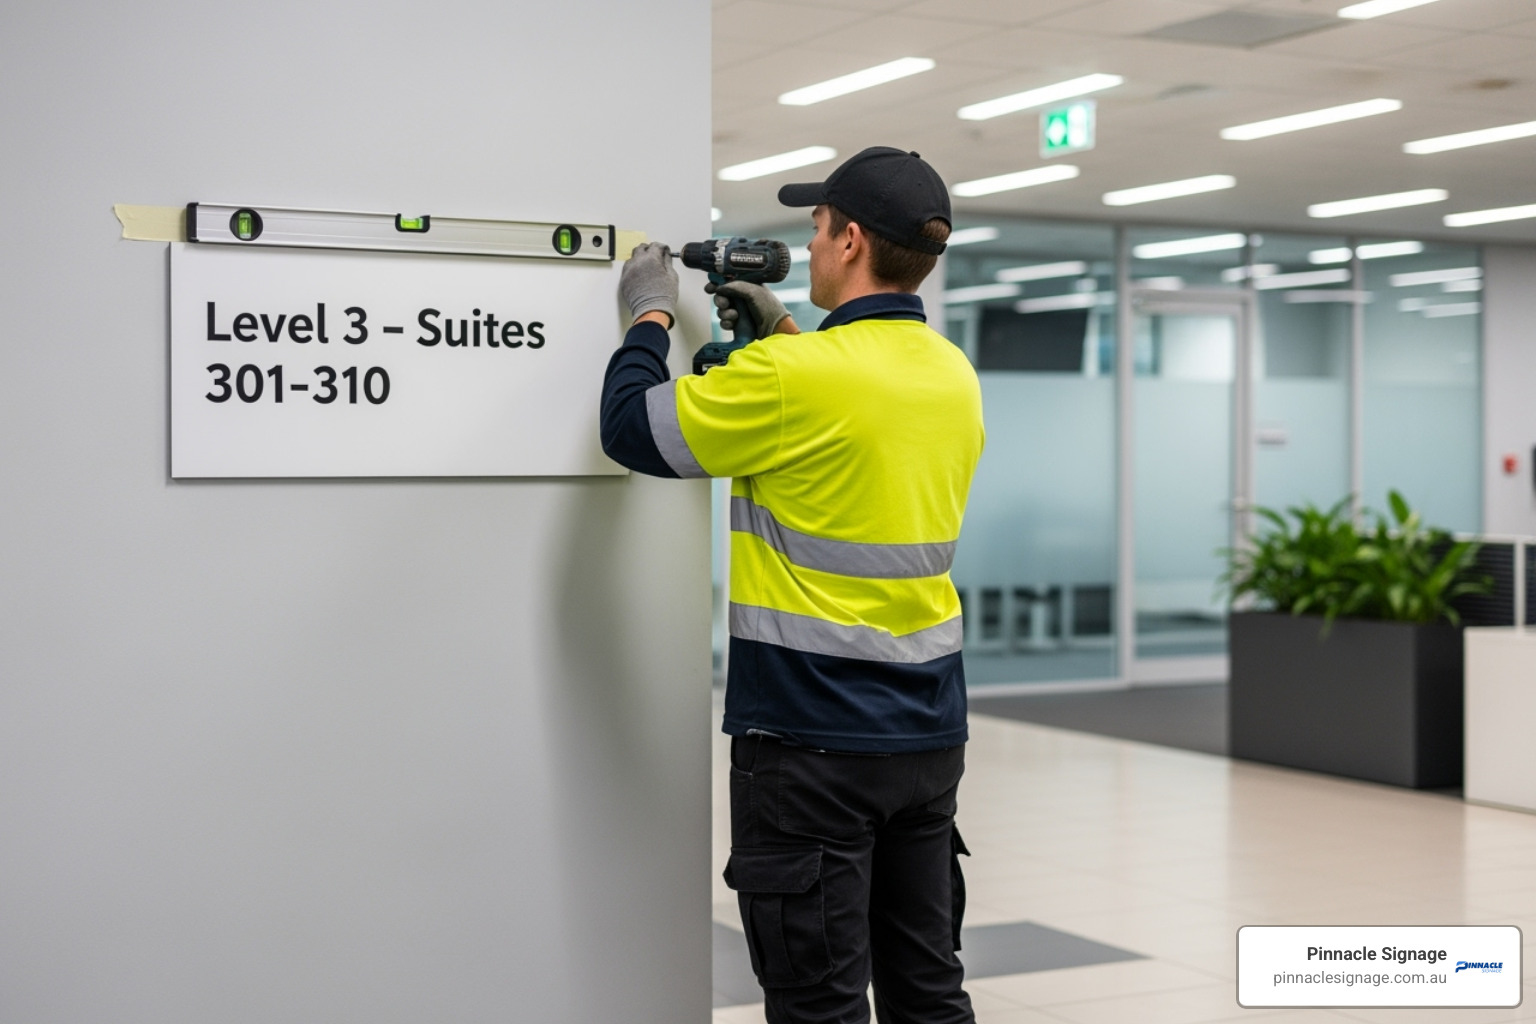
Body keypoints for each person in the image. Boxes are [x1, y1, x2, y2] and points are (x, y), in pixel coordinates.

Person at [600, 147, 984, 1024]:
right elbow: (856, 410)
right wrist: (780, 330)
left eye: (814, 230)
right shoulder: (950, 374)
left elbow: (632, 430)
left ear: (850, 240)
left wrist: (651, 317)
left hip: (812, 746)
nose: (806, 248)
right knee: (929, 990)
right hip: (928, 736)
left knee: (818, 1003)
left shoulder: (788, 382)